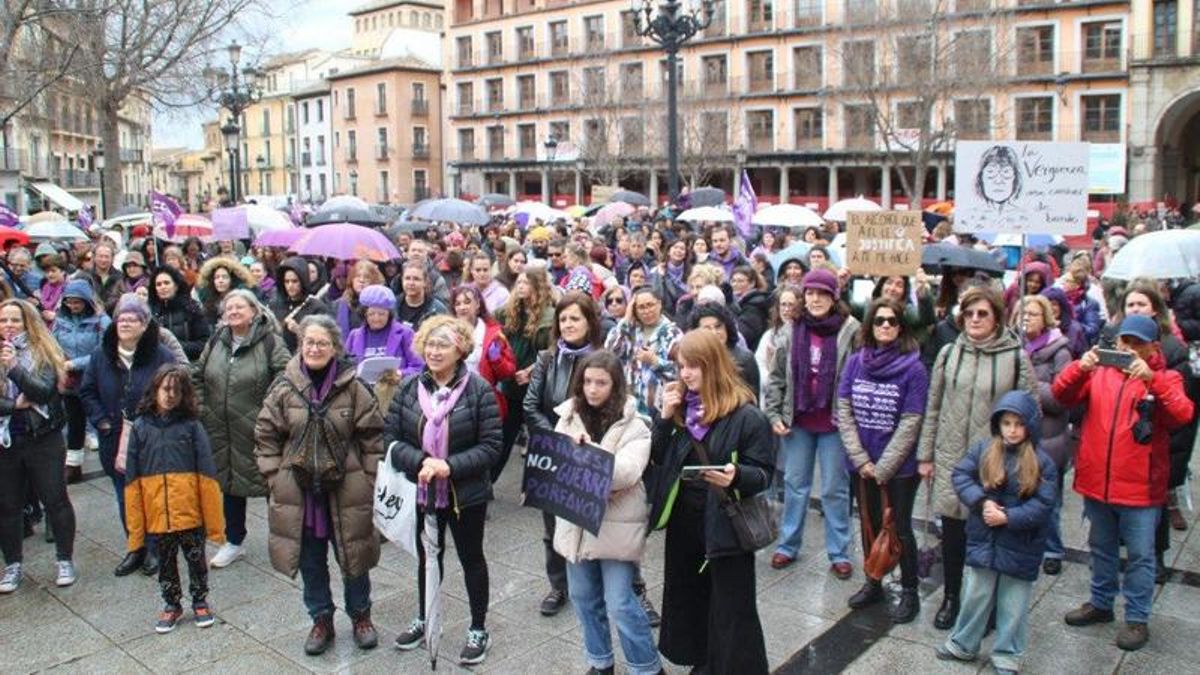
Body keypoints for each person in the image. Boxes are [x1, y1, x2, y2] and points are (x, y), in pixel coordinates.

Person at [1053, 315, 1194, 651]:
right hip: (1097, 481)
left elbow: (1183, 414)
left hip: (1140, 487)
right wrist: (1079, 368)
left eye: (1136, 343)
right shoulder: (1100, 371)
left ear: (1153, 348)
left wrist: (1153, 381)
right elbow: (1061, 394)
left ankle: (1137, 618)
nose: (1128, 348)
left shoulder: (1167, 377)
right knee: (1101, 547)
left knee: (1141, 556)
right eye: (1124, 341)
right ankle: (1101, 602)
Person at [255, 314, 385, 655]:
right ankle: (321, 619)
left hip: (347, 490)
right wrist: (274, 478)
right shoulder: (284, 387)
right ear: (301, 345)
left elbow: (373, 439)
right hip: (300, 494)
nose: (315, 348)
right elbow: (265, 436)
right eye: (309, 342)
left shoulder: (354, 387)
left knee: (353, 557)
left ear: (335, 348)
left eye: (322, 343)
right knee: (310, 561)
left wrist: (368, 479)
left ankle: (361, 616)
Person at [648, 330, 774, 674]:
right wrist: (664, 417)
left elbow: (764, 473)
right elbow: (656, 456)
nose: (685, 374)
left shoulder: (746, 416)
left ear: (713, 365)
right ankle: (702, 661)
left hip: (726, 525)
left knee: (731, 607)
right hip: (685, 523)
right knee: (692, 597)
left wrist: (736, 476)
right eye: (681, 366)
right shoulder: (680, 408)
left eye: (693, 366)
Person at [384, 315, 502, 665]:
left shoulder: (479, 390)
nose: (434, 352)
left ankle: (478, 627)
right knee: (426, 557)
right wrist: (422, 461)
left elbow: (491, 446)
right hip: (421, 490)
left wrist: (448, 466)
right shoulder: (409, 387)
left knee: (471, 558)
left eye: (443, 345)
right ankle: (425, 616)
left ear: (460, 349)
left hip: (465, 494)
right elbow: (390, 438)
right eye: (430, 344)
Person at [917, 286, 1035, 630]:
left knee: (987, 537)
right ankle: (951, 597)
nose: (974, 319)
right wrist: (926, 455)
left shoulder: (1015, 357)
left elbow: (1030, 412)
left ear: (997, 317)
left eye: (982, 313)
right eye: (968, 313)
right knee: (953, 535)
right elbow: (933, 405)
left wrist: (1019, 460)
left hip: (995, 461)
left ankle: (986, 607)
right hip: (952, 456)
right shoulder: (949, 353)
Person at [552, 350, 661, 675]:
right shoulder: (568, 416)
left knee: (621, 603)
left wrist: (588, 453)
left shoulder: (636, 424)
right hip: (576, 520)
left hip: (616, 526)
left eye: (601, 382)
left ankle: (646, 667)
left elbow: (627, 472)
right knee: (584, 599)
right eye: (587, 381)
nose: (592, 389)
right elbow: (554, 461)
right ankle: (600, 662)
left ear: (615, 385)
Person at [935, 391, 1057, 674]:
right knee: (975, 594)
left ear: (1030, 426)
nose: (1012, 430)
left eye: (1019, 424)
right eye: (1007, 423)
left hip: (1021, 543)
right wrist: (981, 502)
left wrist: (1009, 517)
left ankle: (1007, 654)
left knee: (1013, 603)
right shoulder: (983, 450)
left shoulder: (1042, 462)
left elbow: (1043, 504)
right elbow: (961, 475)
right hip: (984, 538)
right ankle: (963, 643)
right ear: (997, 425)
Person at [836, 297, 929, 624]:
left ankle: (909, 590)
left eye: (892, 320)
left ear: (901, 327)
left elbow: (912, 420)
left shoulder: (914, 368)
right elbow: (844, 410)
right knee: (869, 523)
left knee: (899, 527)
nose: (885, 325)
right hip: (862, 463)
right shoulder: (855, 362)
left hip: (899, 468)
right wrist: (861, 460)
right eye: (879, 320)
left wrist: (885, 467)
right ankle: (873, 581)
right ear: (870, 326)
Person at [763, 268, 860, 575]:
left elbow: (858, 376)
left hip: (834, 422)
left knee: (834, 488)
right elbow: (777, 377)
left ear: (834, 297)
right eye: (810, 293)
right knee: (795, 485)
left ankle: (839, 551)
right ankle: (787, 545)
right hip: (799, 420)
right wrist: (774, 413)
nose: (815, 299)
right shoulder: (791, 329)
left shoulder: (851, 330)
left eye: (822, 293)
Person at [80, 293, 178, 578]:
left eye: (132, 319)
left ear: (144, 325)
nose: (124, 324)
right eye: (120, 319)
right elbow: (87, 392)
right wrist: (101, 422)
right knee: (125, 496)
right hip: (114, 437)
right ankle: (136, 546)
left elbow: (174, 393)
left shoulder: (162, 355)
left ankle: (155, 548)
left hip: (152, 437)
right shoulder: (101, 355)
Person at [524, 292, 608, 618]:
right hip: (552, 452)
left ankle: (614, 584)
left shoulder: (603, 359)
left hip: (589, 451)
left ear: (590, 322)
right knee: (552, 526)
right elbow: (531, 405)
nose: (569, 324)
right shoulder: (547, 359)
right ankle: (558, 585)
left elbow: (611, 407)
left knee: (598, 522)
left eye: (575, 318)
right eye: (563, 319)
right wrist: (558, 438)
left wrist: (583, 439)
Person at [123, 365, 224, 633]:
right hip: (157, 510)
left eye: (176, 391)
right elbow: (132, 478)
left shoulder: (192, 427)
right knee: (165, 563)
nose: (170, 396)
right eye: (165, 389)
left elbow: (207, 474)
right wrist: (137, 525)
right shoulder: (141, 427)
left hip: (190, 510)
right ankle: (172, 603)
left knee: (196, 559)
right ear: (155, 390)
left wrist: (213, 519)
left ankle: (200, 599)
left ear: (184, 395)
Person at [195, 289, 290, 569]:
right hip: (220, 428)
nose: (234, 312)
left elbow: (286, 377)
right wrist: (202, 408)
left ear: (254, 312)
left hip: (259, 428)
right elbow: (198, 375)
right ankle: (233, 541)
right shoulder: (216, 341)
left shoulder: (270, 342)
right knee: (230, 485)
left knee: (273, 484)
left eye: (240, 307)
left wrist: (268, 412)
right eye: (229, 308)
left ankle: (285, 539)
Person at [0, 299, 76, 593]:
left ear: (27, 322)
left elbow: (42, 392)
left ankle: (65, 559)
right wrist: (13, 405)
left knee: (55, 499)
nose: (8, 326)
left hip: (43, 437)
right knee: (8, 505)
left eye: (14, 320)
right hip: (7, 440)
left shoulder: (42, 351)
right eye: (3, 320)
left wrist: (14, 368)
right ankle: (12, 564)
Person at [1016, 294, 1074, 575]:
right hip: (1019, 434)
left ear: (1046, 318)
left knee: (1049, 499)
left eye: (1033, 313)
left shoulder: (1060, 351)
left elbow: (1062, 397)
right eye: (1023, 313)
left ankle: (1052, 549)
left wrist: (1030, 384)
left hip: (1049, 437)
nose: (1027, 318)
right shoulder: (1014, 346)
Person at [494, 268, 555, 481]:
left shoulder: (550, 316)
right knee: (503, 439)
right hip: (511, 384)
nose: (520, 286)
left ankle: (536, 489)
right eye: (518, 282)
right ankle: (487, 484)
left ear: (537, 286)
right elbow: (495, 333)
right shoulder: (508, 311)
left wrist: (532, 371)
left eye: (526, 282)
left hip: (537, 388)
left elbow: (553, 350)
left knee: (540, 443)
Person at [52, 278, 110, 484]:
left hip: (94, 379)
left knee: (101, 420)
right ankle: (73, 464)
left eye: (77, 301)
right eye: (69, 301)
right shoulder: (60, 321)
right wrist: (59, 362)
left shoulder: (101, 322)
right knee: (75, 423)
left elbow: (104, 351)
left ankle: (111, 458)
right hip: (70, 382)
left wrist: (75, 363)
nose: (73, 305)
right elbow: (52, 344)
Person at [604, 286, 681, 418]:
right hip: (629, 407)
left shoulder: (673, 333)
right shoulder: (629, 330)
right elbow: (609, 353)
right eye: (641, 307)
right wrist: (626, 319)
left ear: (659, 304)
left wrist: (656, 362)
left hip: (660, 410)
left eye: (650, 305)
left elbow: (682, 371)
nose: (647, 311)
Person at [450, 284, 516, 418]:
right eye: (458, 304)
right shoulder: (446, 332)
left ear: (478, 304)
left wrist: (497, 360)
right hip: (453, 400)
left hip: (484, 400)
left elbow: (508, 373)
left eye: (467, 302)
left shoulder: (494, 334)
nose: (462, 307)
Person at [686, 302, 760, 399]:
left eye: (718, 326)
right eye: (707, 329)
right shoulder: (691, 360)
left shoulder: (744, 360)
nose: (714, 332)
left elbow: (752, 398)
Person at [343, 284, 423, 373]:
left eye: (381, 314)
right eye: (371, 314)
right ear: (364, 314)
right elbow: (345, 367)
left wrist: (400, 373)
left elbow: (418, 366)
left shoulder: (405, 333)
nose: (376, 319)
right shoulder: (354, 335)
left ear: (389, 314)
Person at [270, 256, 333, 352]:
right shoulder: (276, 305)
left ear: (303, 281)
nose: (290, 285)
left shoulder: (317, 307)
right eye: (286, 281)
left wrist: (298, 330)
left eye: (294, 281)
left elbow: (324, 338)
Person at [148, 265, 210, 361]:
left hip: (188, 364)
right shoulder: (149, 312)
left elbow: (204, 344)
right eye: (158, 284)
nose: (163, 287)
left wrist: (173, 346)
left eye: (166, 283)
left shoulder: (192, 309)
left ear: (176, 286)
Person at [755, 285, 799, 403]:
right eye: (783, 304)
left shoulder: (804, 335)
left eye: (791, 305)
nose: (786, 309)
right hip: (771, 397)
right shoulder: (769, 336)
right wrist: (771, 374)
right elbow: (759, 366)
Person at [194, 256, 256, 328]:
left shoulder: (243, 298)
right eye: (217, 277)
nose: (220, 281)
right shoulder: (209, 301)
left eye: (224, 277)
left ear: (232, 280)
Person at [333, 260, 384, 339]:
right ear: (352, 279)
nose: (361, 280)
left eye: (367, 277)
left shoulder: (382, 304)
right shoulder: (338, 304)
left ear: (374, 281)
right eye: (358, 276)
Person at [395, 261, 448, 331]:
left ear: (425, 282)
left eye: (416, 279)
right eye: (407, 278)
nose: (411, 283)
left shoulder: (438, 310)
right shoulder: (392, 306)